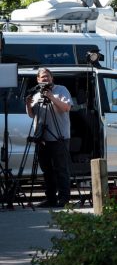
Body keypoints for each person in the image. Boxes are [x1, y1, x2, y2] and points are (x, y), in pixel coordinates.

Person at [25, 67, 73, 208]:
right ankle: (50, 198)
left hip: (59, 136)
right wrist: (28, 104)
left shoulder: (61, 89)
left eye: (47, 76)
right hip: (42, 138)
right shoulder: (36, 93)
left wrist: (51, 97)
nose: (45, 79)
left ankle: (64, 198)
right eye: (42, 77)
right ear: (38, 79)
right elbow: (32, 115)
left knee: (61, 169)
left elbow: (66, 108)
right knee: (47, 170)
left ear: (52, 78)